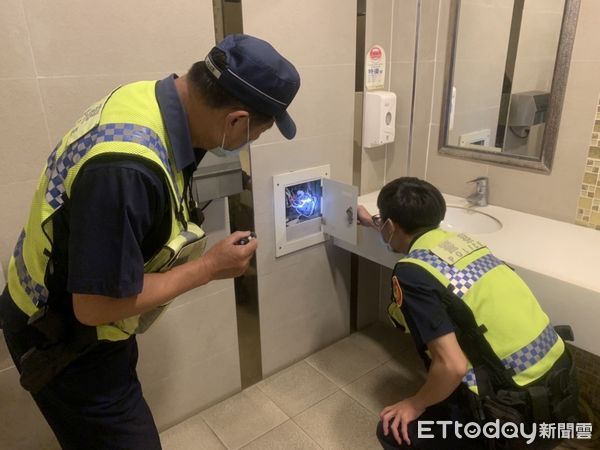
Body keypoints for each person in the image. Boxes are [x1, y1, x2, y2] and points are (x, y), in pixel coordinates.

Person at [0, 34, 300, 450]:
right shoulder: (127, 171)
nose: (255, 140)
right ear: (236, 119)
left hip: (72, 314)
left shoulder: (151, 99)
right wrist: (209, 268)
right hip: (59, 336)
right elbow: (93, 306)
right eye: (260, 131)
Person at [358, 177, 579, 450]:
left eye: (383, 222)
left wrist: (414, 404)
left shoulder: (411, 274)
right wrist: (373, 222)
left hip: (512, 415)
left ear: (391, 226)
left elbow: (453, 366)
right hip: (561, 396)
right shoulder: (463, 243)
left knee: (394, 430)